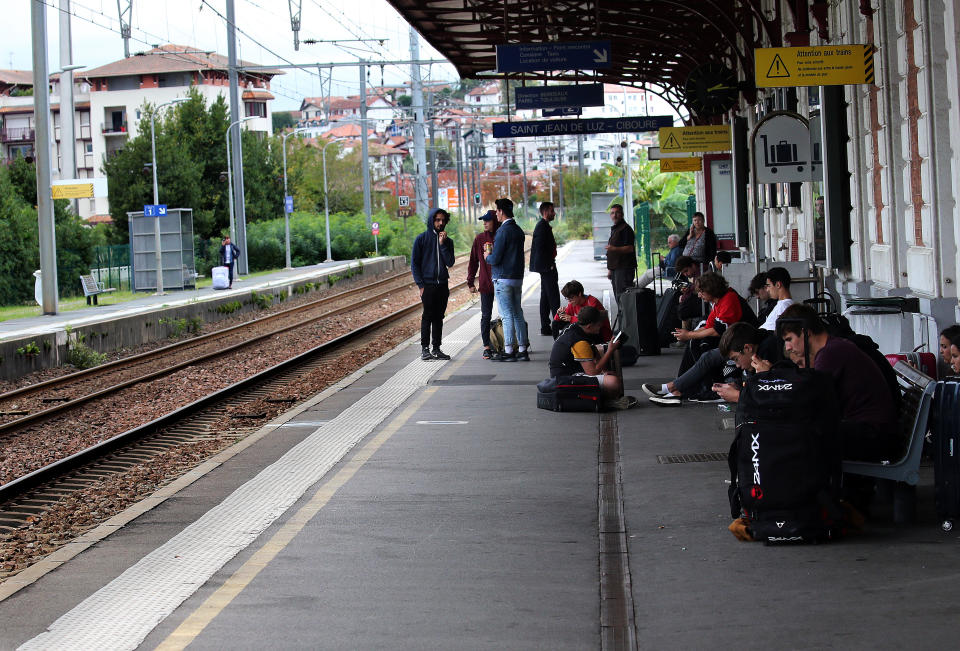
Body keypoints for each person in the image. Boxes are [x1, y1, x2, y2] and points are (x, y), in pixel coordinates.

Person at [778, 303, 899, 462]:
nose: (787, 347)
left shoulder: (829, 354)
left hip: (872, 435)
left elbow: (809, 400)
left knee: (800, 436)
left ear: (805, 333)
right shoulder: (834, 347)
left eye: (789, 339)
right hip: (874, 430)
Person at [548, 306, 635, 408]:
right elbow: (592, 372)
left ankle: (604, 397)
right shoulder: (579, 342)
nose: (600, 327)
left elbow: (594, 351)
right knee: (613, 382)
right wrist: (610, 350)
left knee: (607, 368)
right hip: (566, 379)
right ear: (589, 326)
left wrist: (605, 371)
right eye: (598, 325)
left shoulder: (578, 327)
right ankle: (606, 402)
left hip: (571, 370)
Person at [486, 198, 530, 361]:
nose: (496, 214)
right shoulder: (518, 230)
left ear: (502, 212)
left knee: (506, 315)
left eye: (497, 211)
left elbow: (496, 259)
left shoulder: (502, 231)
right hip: (517, 278)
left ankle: (509, 349)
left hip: (503, 279)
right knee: (517, 312)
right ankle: (523, 349)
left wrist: (487, 257)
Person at [411, 208, 455, 361]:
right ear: (432, 220)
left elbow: (450, 262)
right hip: (428, 285)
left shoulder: (448, 242)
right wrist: (421, 285)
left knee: (439, 317)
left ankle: (436, 348)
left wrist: (442, 245)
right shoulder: (421, 239)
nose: (440, 223)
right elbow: (414, 264)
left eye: (443, 220)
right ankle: (425, 349)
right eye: (437, 220)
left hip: (442, 285)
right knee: (427, 316)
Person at [711, 323, 787, 403]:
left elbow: (772, 398)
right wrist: (738, 386)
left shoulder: (769, 353)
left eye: (736, 359)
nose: (737, 365)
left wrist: (738, 396)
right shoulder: (759, 349)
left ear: (747, 348)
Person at [467, 209, 500, 360]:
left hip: (502, 282)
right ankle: (487, 347)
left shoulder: (501, 236)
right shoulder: (480, 239)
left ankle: (508, 344)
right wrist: (470, 281)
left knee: (507, 314)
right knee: (485, 315)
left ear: (495, 220)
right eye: (483, 221)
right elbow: (473, 261)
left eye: (488, 220)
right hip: (486, 283)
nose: (485, 223)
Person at [530, 201, 561, 336]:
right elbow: (540, 248)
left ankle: (545, 326)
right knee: (553, 297)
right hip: (547, 267)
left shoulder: (543, 226)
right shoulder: (542, 227)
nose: (554, 213)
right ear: (545, 212)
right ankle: (557, 326)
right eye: (552, 211)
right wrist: (548, 264)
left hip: (545, 267)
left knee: (546, 297)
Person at [605, 203, 636, 302]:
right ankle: (622, 316)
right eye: (612, 213)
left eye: (617, 213)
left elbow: (630, 248)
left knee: (623, 297)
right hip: (616, 268)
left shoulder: (626, 229)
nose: (614, 215)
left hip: (624, 268)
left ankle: (626, 317)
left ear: (622, 214)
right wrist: (610, 269)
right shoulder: (615, 229)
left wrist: (614, 249)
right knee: (618, 296)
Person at [759, 266, 794, 331]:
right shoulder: (782, 305)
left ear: (778, 285)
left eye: (769, 286)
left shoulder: (784, 307)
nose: (767, 290)